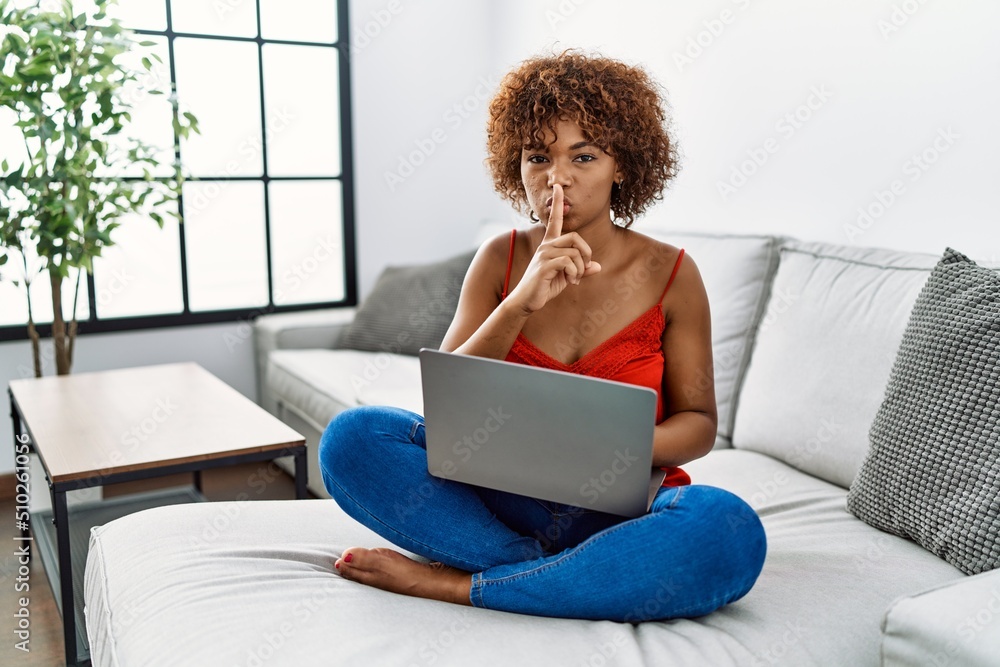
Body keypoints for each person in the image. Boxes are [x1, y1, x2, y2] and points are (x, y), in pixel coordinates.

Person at [319, 50, 766, 622]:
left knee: (728, 530)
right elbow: (445, 400)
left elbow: (699, 425)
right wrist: (520, 302)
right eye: (538, 157)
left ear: (621, 165)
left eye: (584, 156)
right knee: (353, 438)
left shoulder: (674, 274)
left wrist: (606, 450)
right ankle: (558, 573)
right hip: (499, 502)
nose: (557, 179)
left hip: (625, 508)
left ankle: (462, 586)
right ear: (517, 166)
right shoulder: (499, 260)